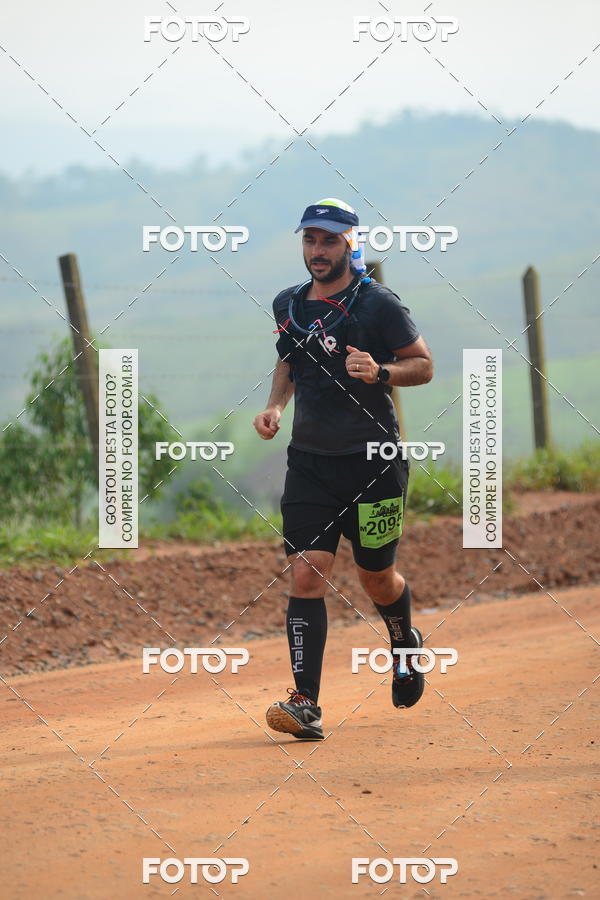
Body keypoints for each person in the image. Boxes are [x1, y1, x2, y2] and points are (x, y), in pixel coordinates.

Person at [253, 198, 433, 740]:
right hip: (309, 463)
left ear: (351, 244)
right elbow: (289, 357)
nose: (317, 251)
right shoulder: (289, 302)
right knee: (307, 573)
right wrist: (276, 407)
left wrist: (380, 372)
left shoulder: (378, 304)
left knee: (375, 577)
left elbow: (423, 365)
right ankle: (305, 703)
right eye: (309, 240)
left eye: (329, 241)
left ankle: (404, 644)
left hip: (374, 463)